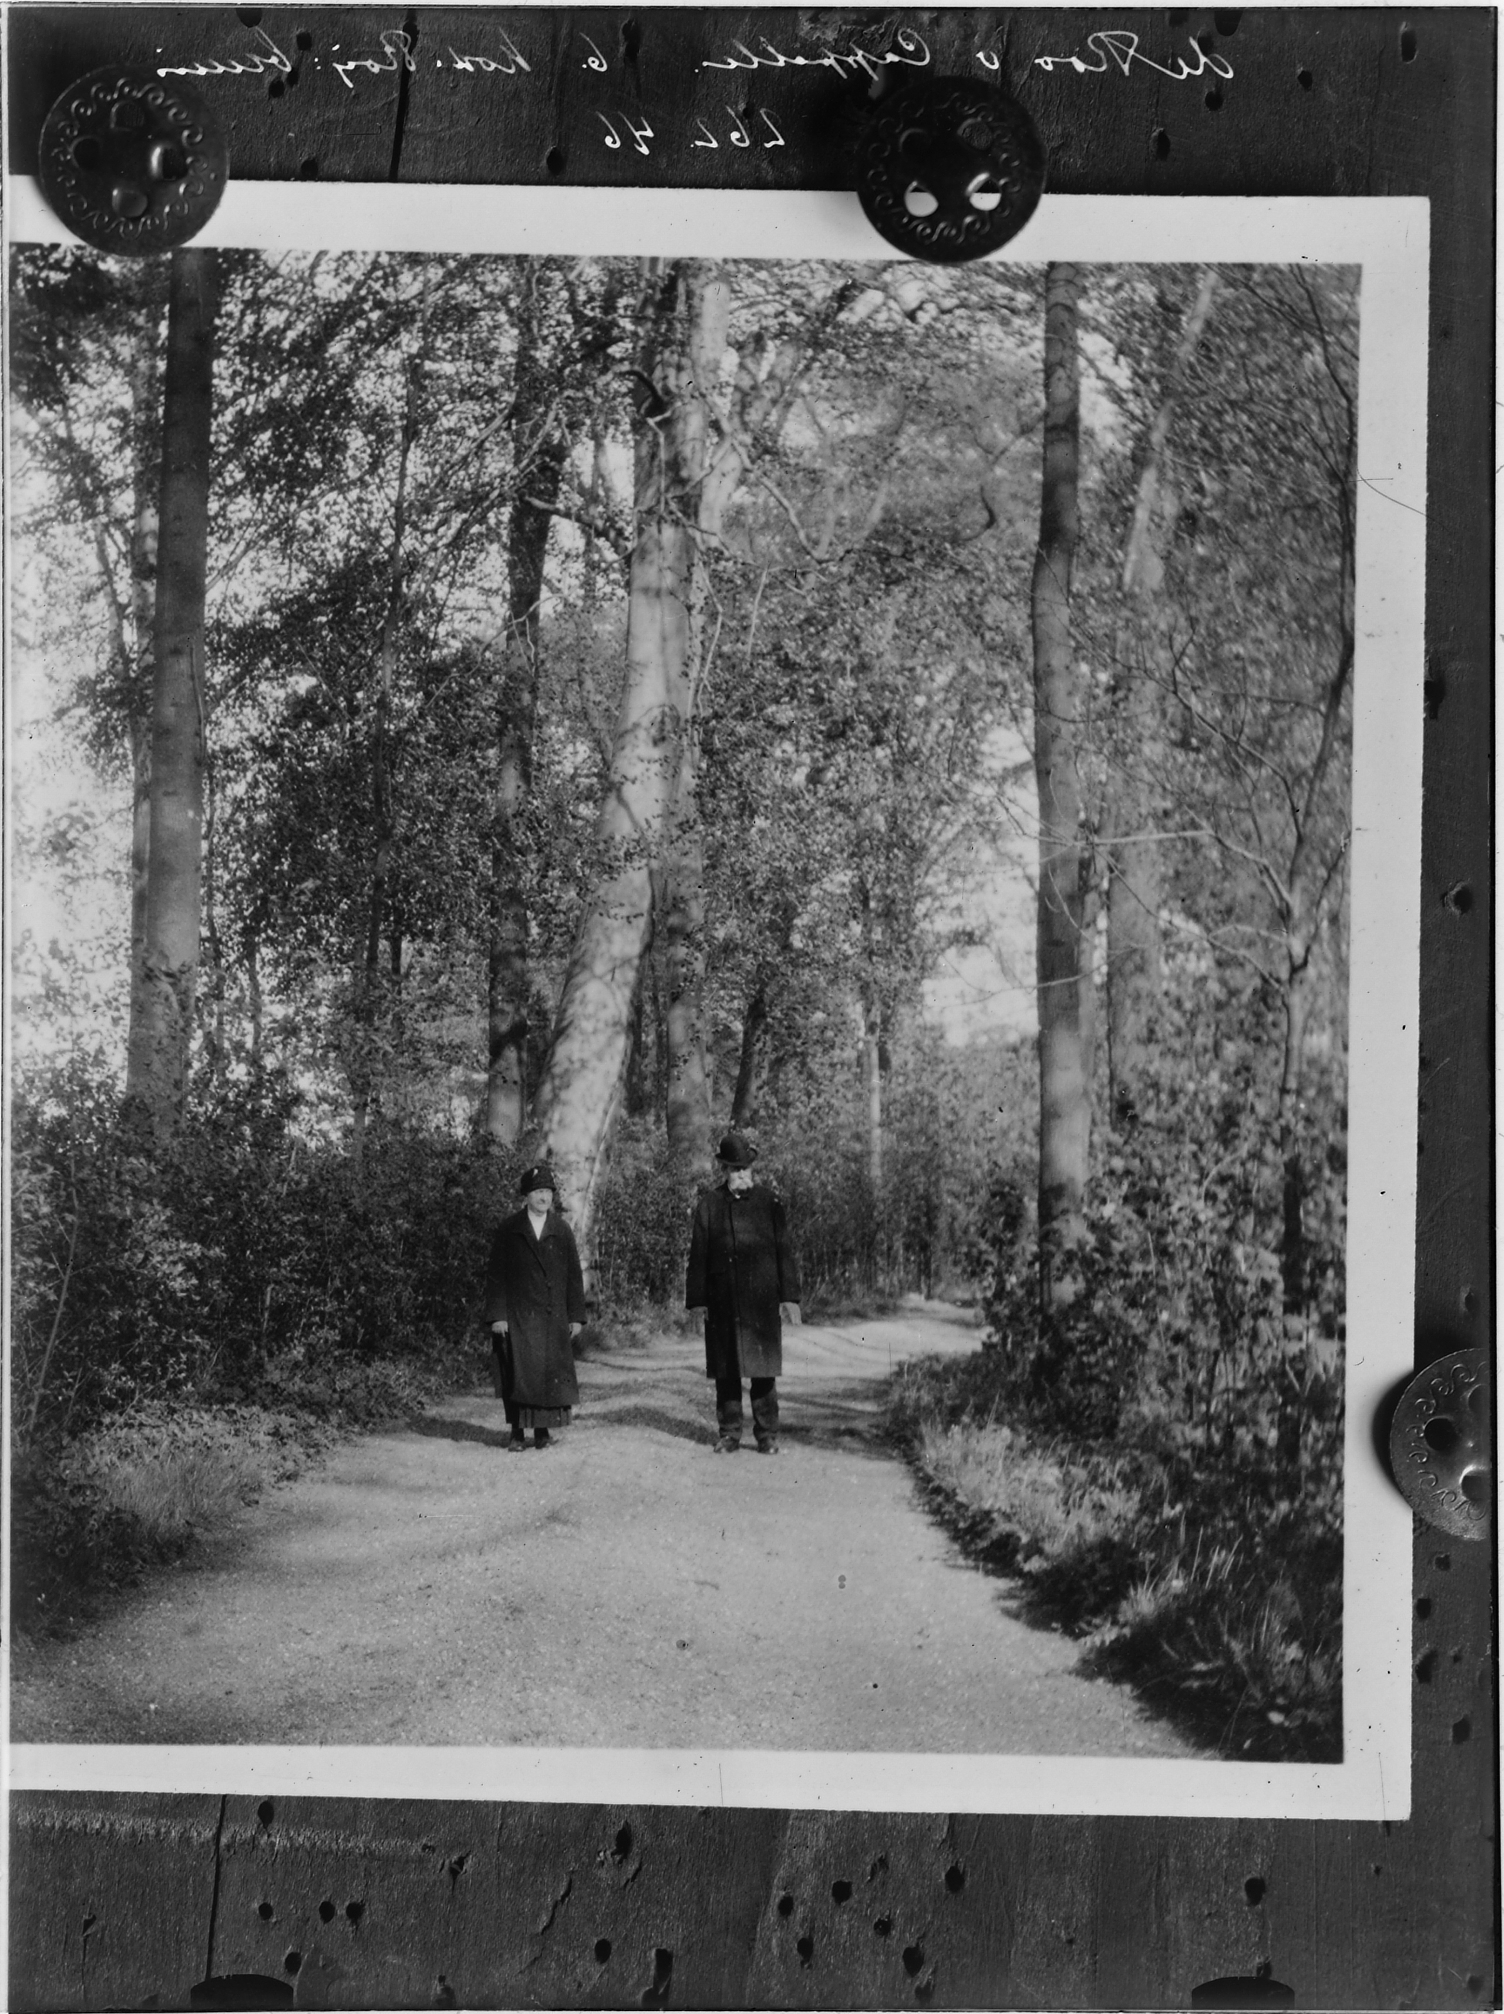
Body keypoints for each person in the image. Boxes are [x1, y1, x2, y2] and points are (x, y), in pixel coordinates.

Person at [686, 1132, 802, 1454]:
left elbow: (784, 1251)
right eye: (735, 1169)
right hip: (722, 1299)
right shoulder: (709, 1205)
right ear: (724, 1170)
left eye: (745, 1169)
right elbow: (698, 1255)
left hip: (761, 1300)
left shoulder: (769, 1203)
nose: (741, 1175)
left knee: (763, 1370)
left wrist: (789, 1297)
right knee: (726, 1371)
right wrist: (697, 1301)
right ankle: (729, 1434)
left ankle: (767, 1435)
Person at [484, 1163, 585, 1451]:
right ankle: (516, 1434)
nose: (544, 1197)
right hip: (518, 1318)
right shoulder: (510, 1229)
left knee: (547, 1376)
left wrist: (576, 1316)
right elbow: (496, 1276)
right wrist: (497, 1316)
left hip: (552, 1318)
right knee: (518, 1374)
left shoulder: (561, 1230)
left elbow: (573, 1276)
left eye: (548, 1192)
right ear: (526, 1195)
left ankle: (542, 1433)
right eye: (538, 1192)